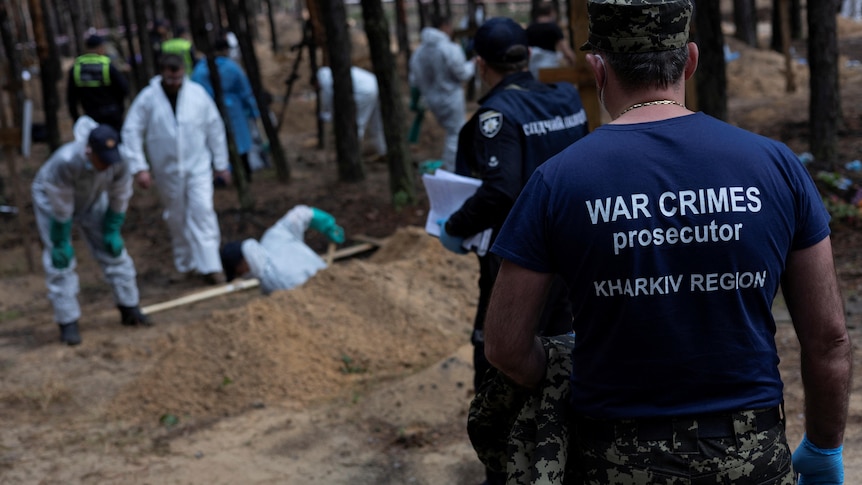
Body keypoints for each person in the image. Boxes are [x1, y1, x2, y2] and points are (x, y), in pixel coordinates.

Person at [483, 1, 852, 483]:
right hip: (747, 456)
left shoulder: (558, 180)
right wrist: (825, 449)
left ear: (599, 68)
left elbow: (505, 346)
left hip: (612, 459)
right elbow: (829, 340)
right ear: (691, 59)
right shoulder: (775, 166)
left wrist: (560, 375)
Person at [434, 16, 589, 485]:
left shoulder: (496, 115)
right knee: (563, 362)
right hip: (573, 260)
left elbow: (501, 190)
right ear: (525, 55)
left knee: (500, 363)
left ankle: (503, 473)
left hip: (518, 266)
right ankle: (567, 462)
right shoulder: (564, 96)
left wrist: (455, 225)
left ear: (480, 64)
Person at [31, 118, 150, 346]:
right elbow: (61, 204)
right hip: (52, 201)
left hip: (92, 197)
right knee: (60, 258)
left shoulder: (119, 160)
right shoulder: (65, 161)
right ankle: (68, 322)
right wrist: (60, 239)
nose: (107, 165)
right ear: (89, 151)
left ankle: (129, 307)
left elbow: (120, 192)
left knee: (113, 250)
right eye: (101, 160)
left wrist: (113, 226)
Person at [121, 53, 230, 285]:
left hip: (198, 165)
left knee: (202, 211)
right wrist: (139, 167)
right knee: (177, 216)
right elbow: (131, 131)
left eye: (178, 77)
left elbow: (215, 128)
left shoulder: (197, 95)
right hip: (167, 169)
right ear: (162, 74)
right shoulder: (148, 98)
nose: (175, 83)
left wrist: (220, 164)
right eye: (170, 79)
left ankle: (211, 266)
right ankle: (186, 263)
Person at [219, 205, 345, 295]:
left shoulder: (272, 285)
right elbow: (300, 214)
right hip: (336, 280)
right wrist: (328, 225)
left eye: (238, 273)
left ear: (243, 264)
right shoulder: (273, 236)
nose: (241, 276)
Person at [408, 13, 475, 171]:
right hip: (451, 98)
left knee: (452, 134)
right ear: (445, 26)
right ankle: (453, 170)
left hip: (431, 98)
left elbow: (414, 79)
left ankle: (452, 166)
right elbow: (462, 74)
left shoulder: (419, 52)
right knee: (455, 134)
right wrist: (473, 64)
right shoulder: (450, 49)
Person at [191, 38, 261, 182]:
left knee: (215, 142)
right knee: (239, 142)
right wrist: (253, 111)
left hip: (209, 112)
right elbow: (245, 91)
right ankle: (244, 175)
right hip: (234, 111)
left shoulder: (200, 69)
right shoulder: (232, 67)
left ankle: (221, 176)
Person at [315, 65, 387, 159]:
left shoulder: (325, 82)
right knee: (377, 122)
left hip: (364, 92)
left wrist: (327, 115)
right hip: (375, 83)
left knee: (357, 123)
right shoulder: (329, 72)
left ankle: (353, 154)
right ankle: (383, 150)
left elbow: (330, 103)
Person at [66, 34, 130, 133]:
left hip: (90, 116)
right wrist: (120, 109)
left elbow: (71, 98)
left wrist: (76, 119)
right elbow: (124, 89)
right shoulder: (107, 66)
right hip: (112, 116)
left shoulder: (76, 69)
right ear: (100, 48)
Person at [526, 3, 577, 78]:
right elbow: (565, 50)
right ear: (551, 12)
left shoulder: (530, 28)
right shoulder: (553, 28)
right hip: (549, 66)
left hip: (533, 67)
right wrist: (574, 61)